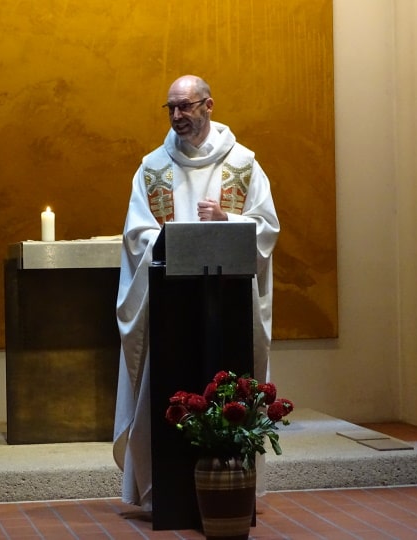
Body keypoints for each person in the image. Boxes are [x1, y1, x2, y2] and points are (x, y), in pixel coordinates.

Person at [113, 75, 280, 510]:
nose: (176, 116)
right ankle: (165, 490)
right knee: (165, 384)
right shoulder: (153, 167)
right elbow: (136, 234)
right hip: (170, 306)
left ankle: (230, 483)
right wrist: (169, 240)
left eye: (185, 107)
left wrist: (228, 220)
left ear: (208, 105)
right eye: (170, 108)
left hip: (227, 306)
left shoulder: (243, 164)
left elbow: (267, 230)